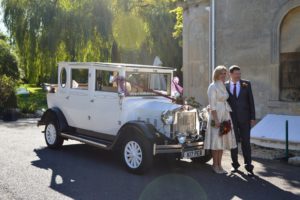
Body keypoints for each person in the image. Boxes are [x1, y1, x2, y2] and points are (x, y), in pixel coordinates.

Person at [204, 66, 237, 174]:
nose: (224, 75)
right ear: (217, 74)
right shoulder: (212, 86)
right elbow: (212, 105)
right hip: (216, 115)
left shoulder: (223, 85)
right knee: (215, 141)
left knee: (222, 140)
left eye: (225, 73)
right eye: (222, 73)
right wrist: (216, 120)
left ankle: (220, 164)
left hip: (225, 114)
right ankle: (214, 165)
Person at [225, 65, 256, 177]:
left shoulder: (246, 84)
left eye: (240, 73)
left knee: (246, 143)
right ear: (231, 74)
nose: (239, 75)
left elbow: (251, 101)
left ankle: (248, 166)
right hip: (231, 120)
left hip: (245, 119)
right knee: (233, 143)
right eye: (236, 73)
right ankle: (235, 165)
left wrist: (253, 117)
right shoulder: (225, 86)